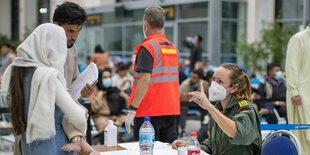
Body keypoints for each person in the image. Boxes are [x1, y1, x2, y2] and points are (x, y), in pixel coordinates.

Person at [0, 24, 98, 155]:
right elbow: (78, 117)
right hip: (56, 146)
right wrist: (82, 110)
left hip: (28, 146)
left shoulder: (15, 71)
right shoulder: (47, 75)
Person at [172, 63, 262, 154]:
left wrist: (210, 107)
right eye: (214, 79)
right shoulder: (218, 108)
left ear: (234, 88)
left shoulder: (245, 108)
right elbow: (212, 145)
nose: (214, 84)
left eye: (220, 82)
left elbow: (239, 134)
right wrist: (190, 146)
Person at [124, 6, 180, 143]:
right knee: (169, 151)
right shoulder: (172, 48)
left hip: (148, 113)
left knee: (147, 151)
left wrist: (132, 110)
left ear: (146, 24)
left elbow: (144, 80)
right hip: (171, 111)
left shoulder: (147, 47)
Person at [53, 1, 96, 97]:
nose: (75, 37)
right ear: (56, 26)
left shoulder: (73, 49)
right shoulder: (41, 50)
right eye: (71, 31)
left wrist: (83, 91)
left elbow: (74, 84)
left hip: (65, 109)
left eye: (78, 31)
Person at [285, 23, 310, 154]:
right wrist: (294, 92)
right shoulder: (298, 39)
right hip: (301, 97)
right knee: (302, 137)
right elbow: (291, 66)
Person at [88, 68, 129, 144]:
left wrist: (124, 96)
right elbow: (93, 108)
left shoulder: (114, 90)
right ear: (99, 79)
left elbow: (127, 104)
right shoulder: (94, 90)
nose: (108, 79)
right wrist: (101, 94)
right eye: (105, 78)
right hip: (101, 117)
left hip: (117, 116)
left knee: (130, 121)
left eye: (109, 77)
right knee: (105, 128)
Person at [179, 69, 208, 138]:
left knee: (205, 108)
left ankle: (203, 129)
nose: (191, 79)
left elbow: (205, 98)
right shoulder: (185, 83)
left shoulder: (203, 83)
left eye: (194, 78)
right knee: (183, 109)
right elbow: (183, 99)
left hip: (196, 102)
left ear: (199, 79)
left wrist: (204, 89)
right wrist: (197, 93)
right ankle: (182, 130)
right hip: (185, 103)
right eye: (191, 76)